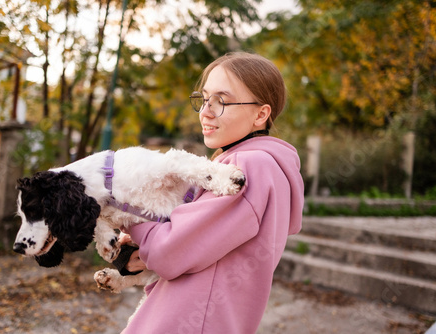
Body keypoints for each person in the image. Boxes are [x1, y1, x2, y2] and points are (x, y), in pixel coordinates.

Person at [120, 51, 304, 334]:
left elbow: (169, 252)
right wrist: (142, 253)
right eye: (205, 99)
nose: (205, 111)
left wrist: (128, 215)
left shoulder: (246, 168)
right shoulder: (259, 165)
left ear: (261, 114)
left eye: (222, 101)